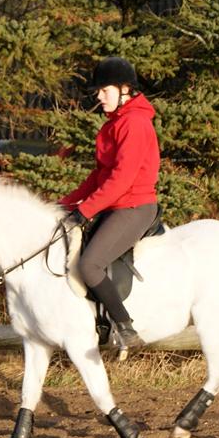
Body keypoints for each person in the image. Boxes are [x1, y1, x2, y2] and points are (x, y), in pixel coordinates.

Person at [60, 56, 160, 359]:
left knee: (89, 264)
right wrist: (66, 204)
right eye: (98, 91)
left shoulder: (134, 123)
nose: (98, 96)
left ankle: (126, 328)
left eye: (104, 90)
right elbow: (99, 176)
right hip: (116, 204)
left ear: (125, 89)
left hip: (134, 206)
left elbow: (121, 179)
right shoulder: (115, 124)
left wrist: (85, 211)